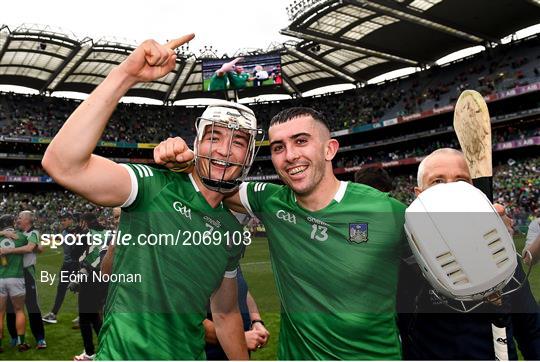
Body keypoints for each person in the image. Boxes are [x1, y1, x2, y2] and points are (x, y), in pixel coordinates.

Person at [42, 33, 255, 360]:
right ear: (196, 144)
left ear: (249, 156)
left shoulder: (230, 231)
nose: (225, 150)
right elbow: (63, 164)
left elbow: (225, 315)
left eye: (238, 142)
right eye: (214, 137)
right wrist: (126, 74)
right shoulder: (153, 185)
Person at [155, 107, 407, 359]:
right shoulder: (271, 201)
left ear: (329, 149)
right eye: (278, 147)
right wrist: (187, 161)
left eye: (301, 141)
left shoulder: (388, 211)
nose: (290, 155)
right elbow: (219, 181)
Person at [397, 148, 540, 360]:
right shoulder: (401, 257)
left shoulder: (500, 250)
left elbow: (532, 331)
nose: (450, 189)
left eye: (461, 181)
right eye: (437, 181)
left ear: (472, 188)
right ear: (419, 194)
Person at [4, 211, 47, 350]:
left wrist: (8, 251)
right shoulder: (15, 232)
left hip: (27, 273)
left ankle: (40, 339)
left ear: (28, 220)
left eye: (20, 218)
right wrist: (4, 233)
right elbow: (37, 248)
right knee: (11, 307)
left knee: (32, 306)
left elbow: (30, 248)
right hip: (13, 274)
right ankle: (14, 337)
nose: (17, 220)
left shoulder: (34, 233)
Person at [72, 213, 109, 361]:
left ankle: (89, 353)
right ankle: (106, 345)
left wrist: (78, 236)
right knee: (94, 315)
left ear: (84, 223)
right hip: (102, 277)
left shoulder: (86, 234)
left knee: (84, 318)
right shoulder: (105, 232)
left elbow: (76, 254)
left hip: (89, 276)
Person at [43, 212, 82, 324]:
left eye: (64, 220)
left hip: (76, 265)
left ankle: (82, 316)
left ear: (70, 219)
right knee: (61, 289)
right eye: (62, 221)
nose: (62, 222)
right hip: (66, 265)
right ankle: (53, 314)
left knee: (79, 290)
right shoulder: (64, 232)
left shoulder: (77, 231)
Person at [0, 214, 29, 352]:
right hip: (16, 278)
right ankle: (21, 343)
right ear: (12, 222)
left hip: (0, 278)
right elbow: (35, 246)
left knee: (0, 313)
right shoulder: (21, 236)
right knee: (19, 311)